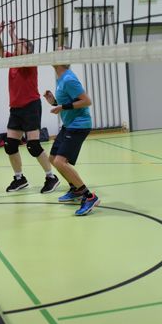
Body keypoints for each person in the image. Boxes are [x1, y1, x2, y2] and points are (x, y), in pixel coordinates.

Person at [0, 19, 59, 194]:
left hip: (31, 106)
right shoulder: (12, 60)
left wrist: (12, 34)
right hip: (16, 109)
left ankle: (51, 177)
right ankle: (19, 178)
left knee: (33, 146)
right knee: (10, 145)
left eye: (20, 45)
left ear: (28, 50)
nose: (15, 46)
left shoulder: (30, 61)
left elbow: (22, 53)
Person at [43, 48, 98, 216]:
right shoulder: (61, 78)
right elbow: (68, 101)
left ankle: (89, 196)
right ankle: (75, 189)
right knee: (52, 158)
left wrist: (62, 107)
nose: (52, 53)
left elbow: (86, 101)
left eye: (57, 51)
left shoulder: (68, 78)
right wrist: (54, 103)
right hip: (69, 124)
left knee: (60, 162)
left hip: (79, 125)